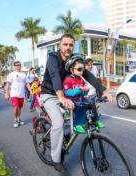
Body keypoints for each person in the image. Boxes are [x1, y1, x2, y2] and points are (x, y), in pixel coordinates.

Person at [40, 34, 113, 172]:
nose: (68, 47)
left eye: (71, 45)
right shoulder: (53, 58)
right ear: (59, 45)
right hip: (50, 94)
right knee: (59, 123)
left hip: (68, 95)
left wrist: (103, 91)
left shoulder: (74, 60)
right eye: (65, 44)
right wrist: (61, 97)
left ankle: (66, 134)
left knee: (84, 111)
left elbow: (89, 75)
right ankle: (56, 159)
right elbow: (55, 76)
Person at [63, 56, 105, 133]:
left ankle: (96, 121)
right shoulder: (68, 79)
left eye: (82, 69)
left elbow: (83, 93)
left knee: (92, 104)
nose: (82, 71)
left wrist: (85, 90)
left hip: (80, 98)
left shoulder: (81, 80)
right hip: (72, 100)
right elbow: (67, 92)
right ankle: (77, 125)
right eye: (79, 69)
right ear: (71, 70)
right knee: (80, 107)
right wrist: (80, 89)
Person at [5, 61, 31, 128]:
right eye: (16, 65)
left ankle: (18, 119)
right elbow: (7, 85)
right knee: (16, 106)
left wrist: (31, 91)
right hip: (14, 94)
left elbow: (27, 83)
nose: (18, 66)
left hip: (21, 94)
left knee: (19, 107)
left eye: (19, 65)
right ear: (14, 66)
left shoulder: (23, 74)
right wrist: (7, 94)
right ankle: (15, 120)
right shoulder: (11, 74)